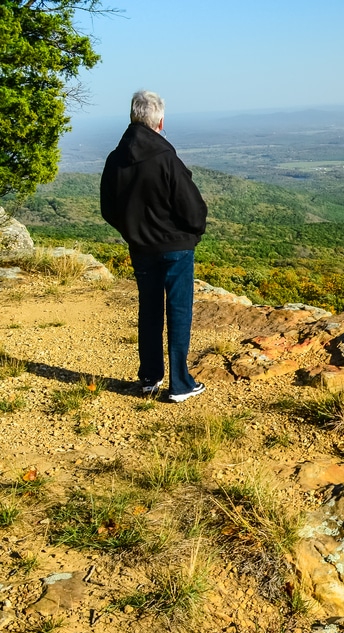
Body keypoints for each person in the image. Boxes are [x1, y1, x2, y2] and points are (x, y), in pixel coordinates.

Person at [100, 90, 208, 402]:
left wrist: (132, 231)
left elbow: (109, 209)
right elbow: (193, 207)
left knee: (149, 309)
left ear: (133, 118)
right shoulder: (165, 157)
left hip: (141, 248)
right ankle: (180, 384)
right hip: (176, 248)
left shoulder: (115, 160)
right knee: (178, 310)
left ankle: (149, 378)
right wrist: (191, 233)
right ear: (160, 121)